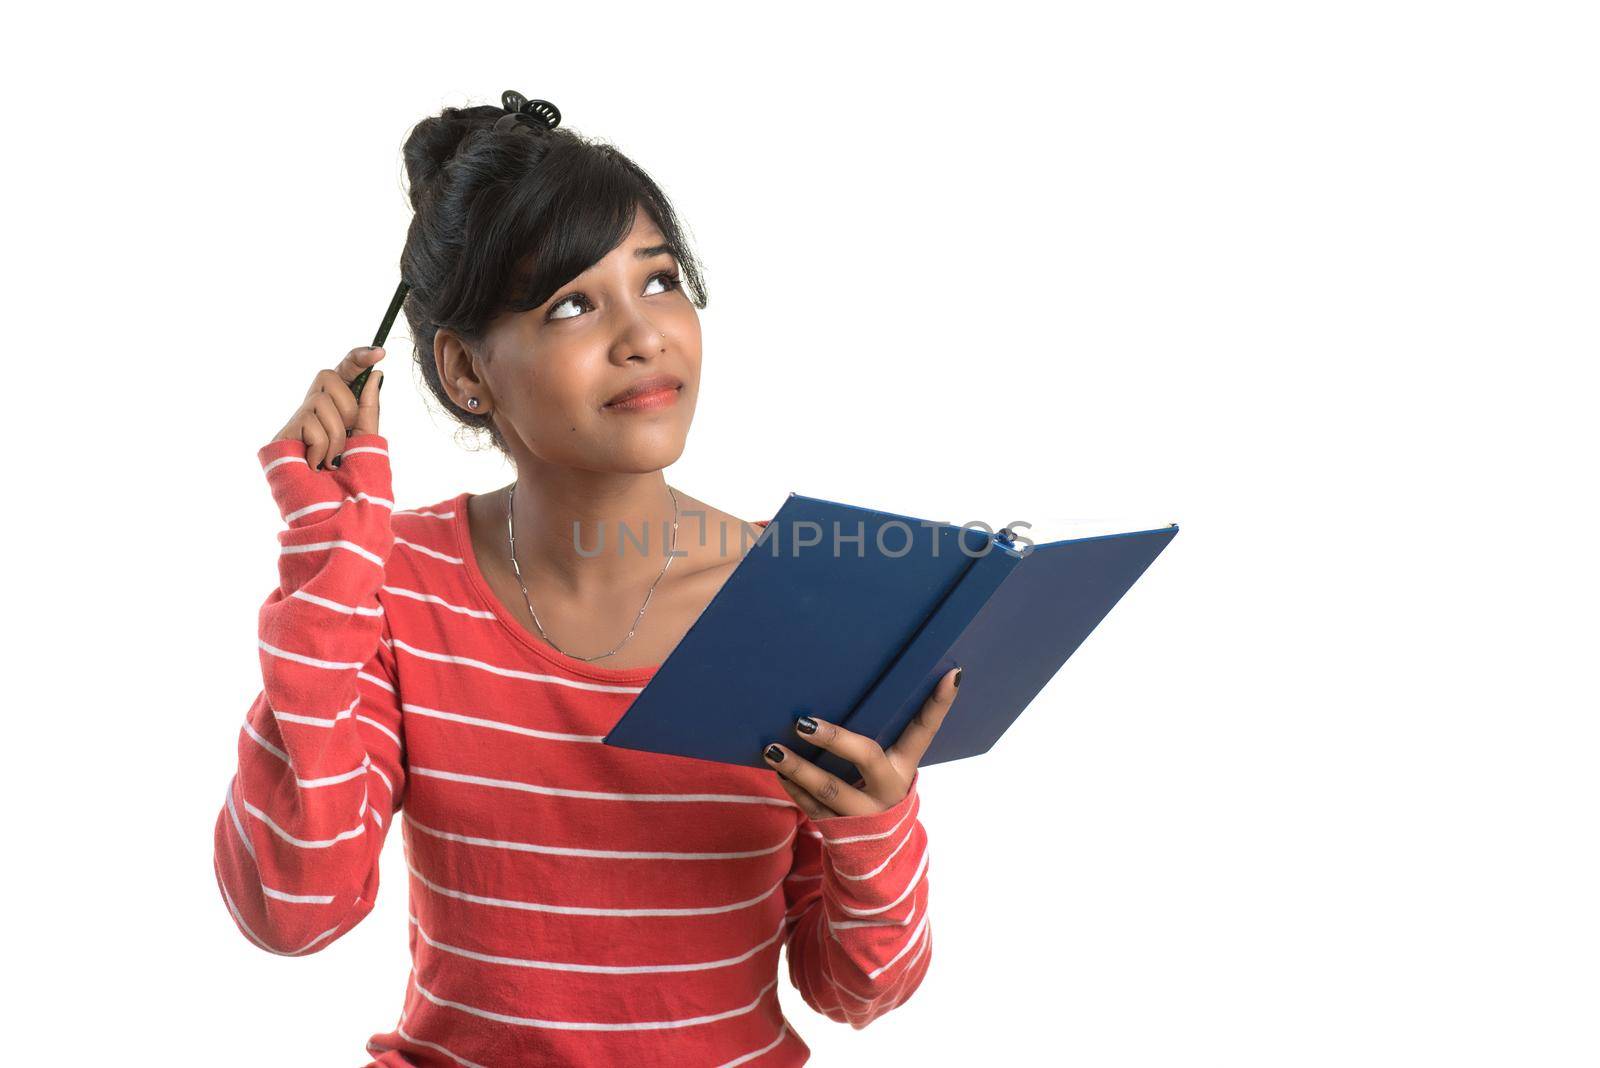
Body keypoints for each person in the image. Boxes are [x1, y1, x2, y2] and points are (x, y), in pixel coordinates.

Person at [211, 91, 959, 1066]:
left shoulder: (803, 587)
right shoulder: (392, 582)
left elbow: (858, 991)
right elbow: (291, 908)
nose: (643, 335)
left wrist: (873, 829)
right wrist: (330, 559)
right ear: (465, 371)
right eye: (571, 303)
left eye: (658, 282)